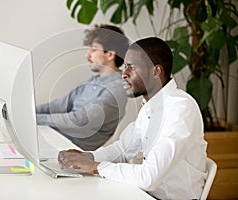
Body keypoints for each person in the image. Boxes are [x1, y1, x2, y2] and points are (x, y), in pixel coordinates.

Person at [58, 37, 208, 199]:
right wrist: (88, 157)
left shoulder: (180, 109)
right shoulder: (150, 107)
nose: (124, 74)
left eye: (132, 68)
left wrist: (95, 166)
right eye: (125, 67)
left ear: (156, 71)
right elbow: (122, 150)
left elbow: (148, 177)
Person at [36, 24, 129, 151]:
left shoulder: (117, 89)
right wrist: (28, 112)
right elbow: (61, 105)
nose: (87, 55)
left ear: (110, 55)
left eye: (94, 49)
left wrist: (35, 119)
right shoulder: (94, 81)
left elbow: (81, 120)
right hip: (56, 137)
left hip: (70, 149)